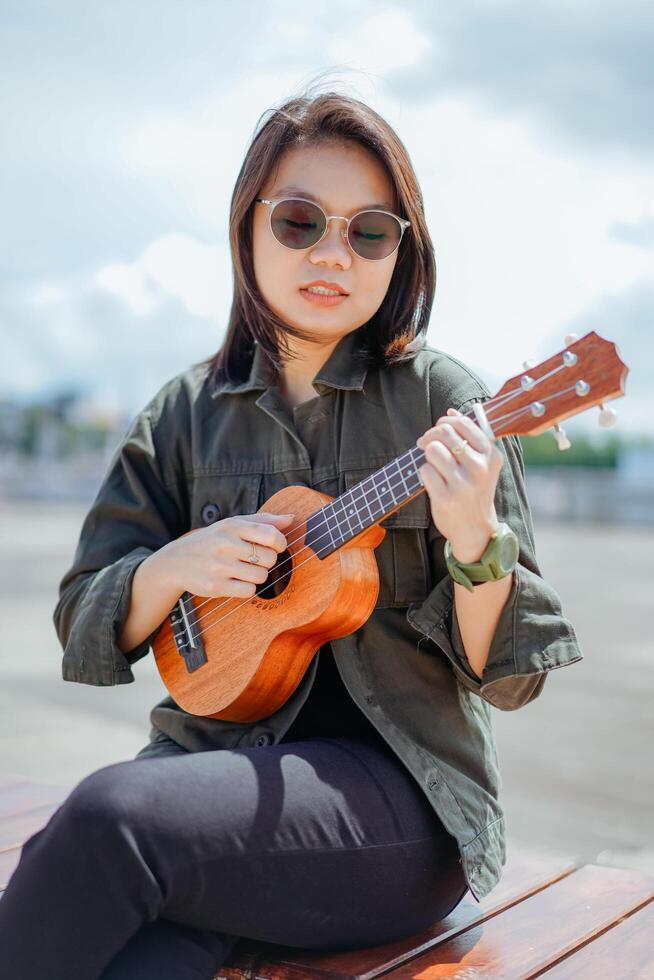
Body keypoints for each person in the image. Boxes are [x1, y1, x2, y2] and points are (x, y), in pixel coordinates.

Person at [0, 87, 583, 980]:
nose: (333, 254)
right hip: (210, 773)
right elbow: (85, 614)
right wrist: (170, 568)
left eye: (370, 231)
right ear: (248, 229)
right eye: (301, 221)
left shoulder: (448, 404)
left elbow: (508, 684)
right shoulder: (184, 415)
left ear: (402, 252)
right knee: (136, 957)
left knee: (107, 816)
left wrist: (477, 545)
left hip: (400, 803)